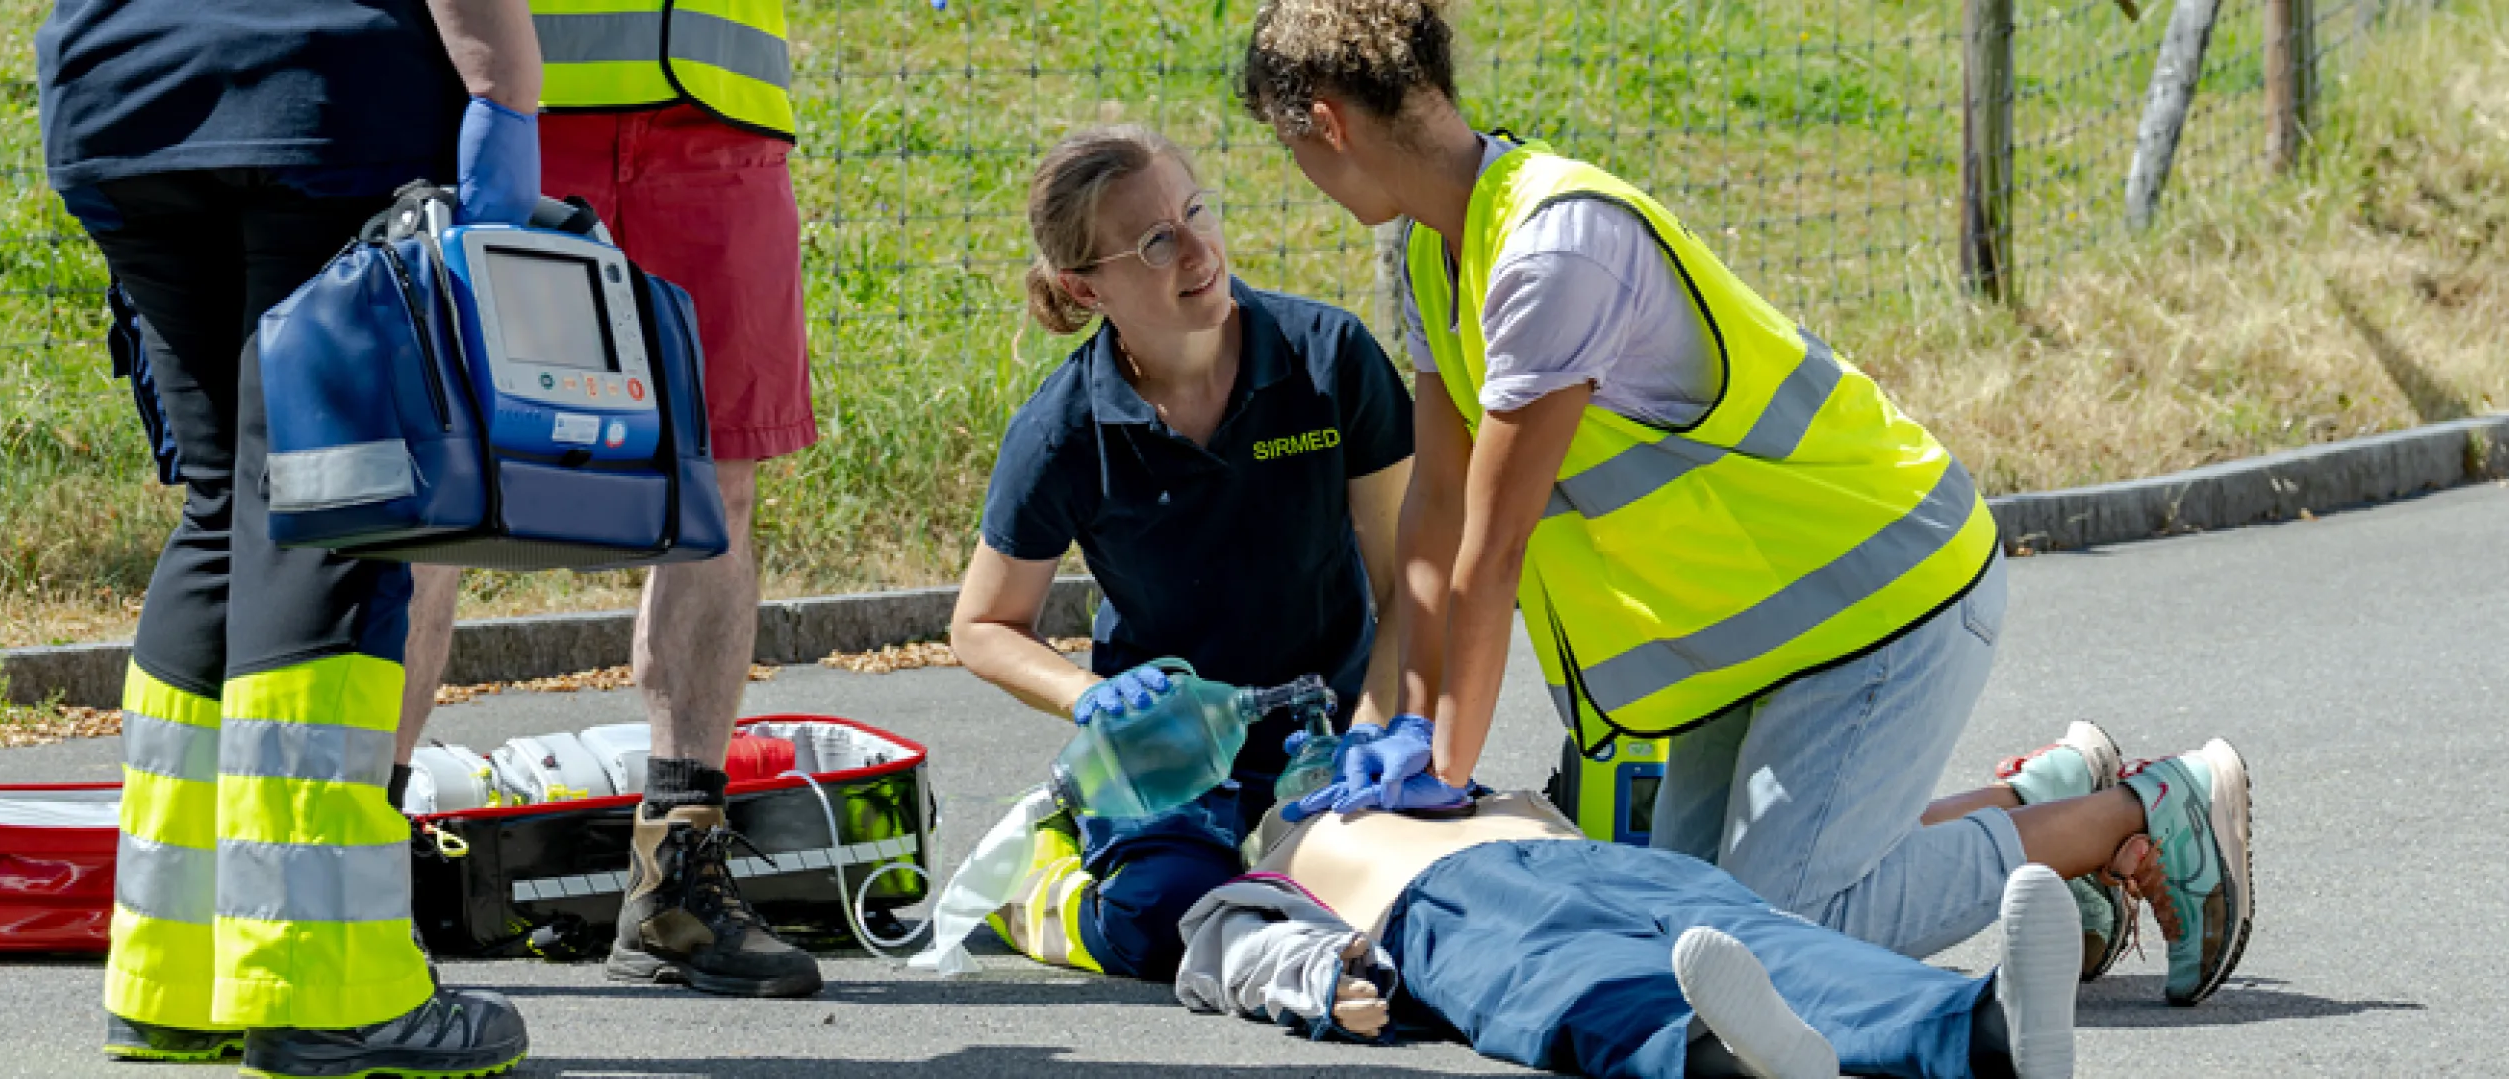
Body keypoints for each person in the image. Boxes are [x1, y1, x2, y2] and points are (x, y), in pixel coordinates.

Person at [1237, 0, 2254, 1007]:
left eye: (1291, 148)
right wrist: (1404, 724)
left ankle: (2145, 809)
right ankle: (2042, 800)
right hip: (1766, 639)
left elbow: (1490, 553)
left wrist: (1448, 767)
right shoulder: (1434, 253)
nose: (1303, 175)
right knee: (1685, 931)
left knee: (1782, 945)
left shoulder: (1552, 254)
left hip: (1884, 588)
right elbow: (1435, 518)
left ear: (1326, 121)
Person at [38, 0, 542, 1073]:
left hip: (117, 91)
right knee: (331, 514)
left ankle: (172, 981)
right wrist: (506, 100)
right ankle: (330, 995)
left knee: (226, 507)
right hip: (322, 98)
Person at [393, 0, 825, 999]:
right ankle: (364, 871)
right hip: (511, 99)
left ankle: (677, 878)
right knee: (439, 495)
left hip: (723, 114)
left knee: (716, 489)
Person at [944, 125, 1418, 980]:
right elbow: (982, 625)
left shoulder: (1332, 361)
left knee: (1388, 910)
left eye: (1196, 211)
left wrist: (1375, 734)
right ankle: (1043, 881)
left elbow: (1410, 588)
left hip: (1326, 737)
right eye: (1156, 241)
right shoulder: (1063, 430)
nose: (1199, 250)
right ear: (1082, 286)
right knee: (1161, 925)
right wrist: (1088, 697)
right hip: (1164, 760)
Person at [1177, 789, 2083, 1079]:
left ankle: (1985, 1027)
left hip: (1595, 861)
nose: (1322, 764)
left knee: (1766, 938)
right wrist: (1317, 984)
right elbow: (1227, 958)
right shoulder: (1269, 868)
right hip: (1437, 911)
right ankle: (1730, 1054)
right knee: (1581, 985)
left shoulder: (1439, 779)